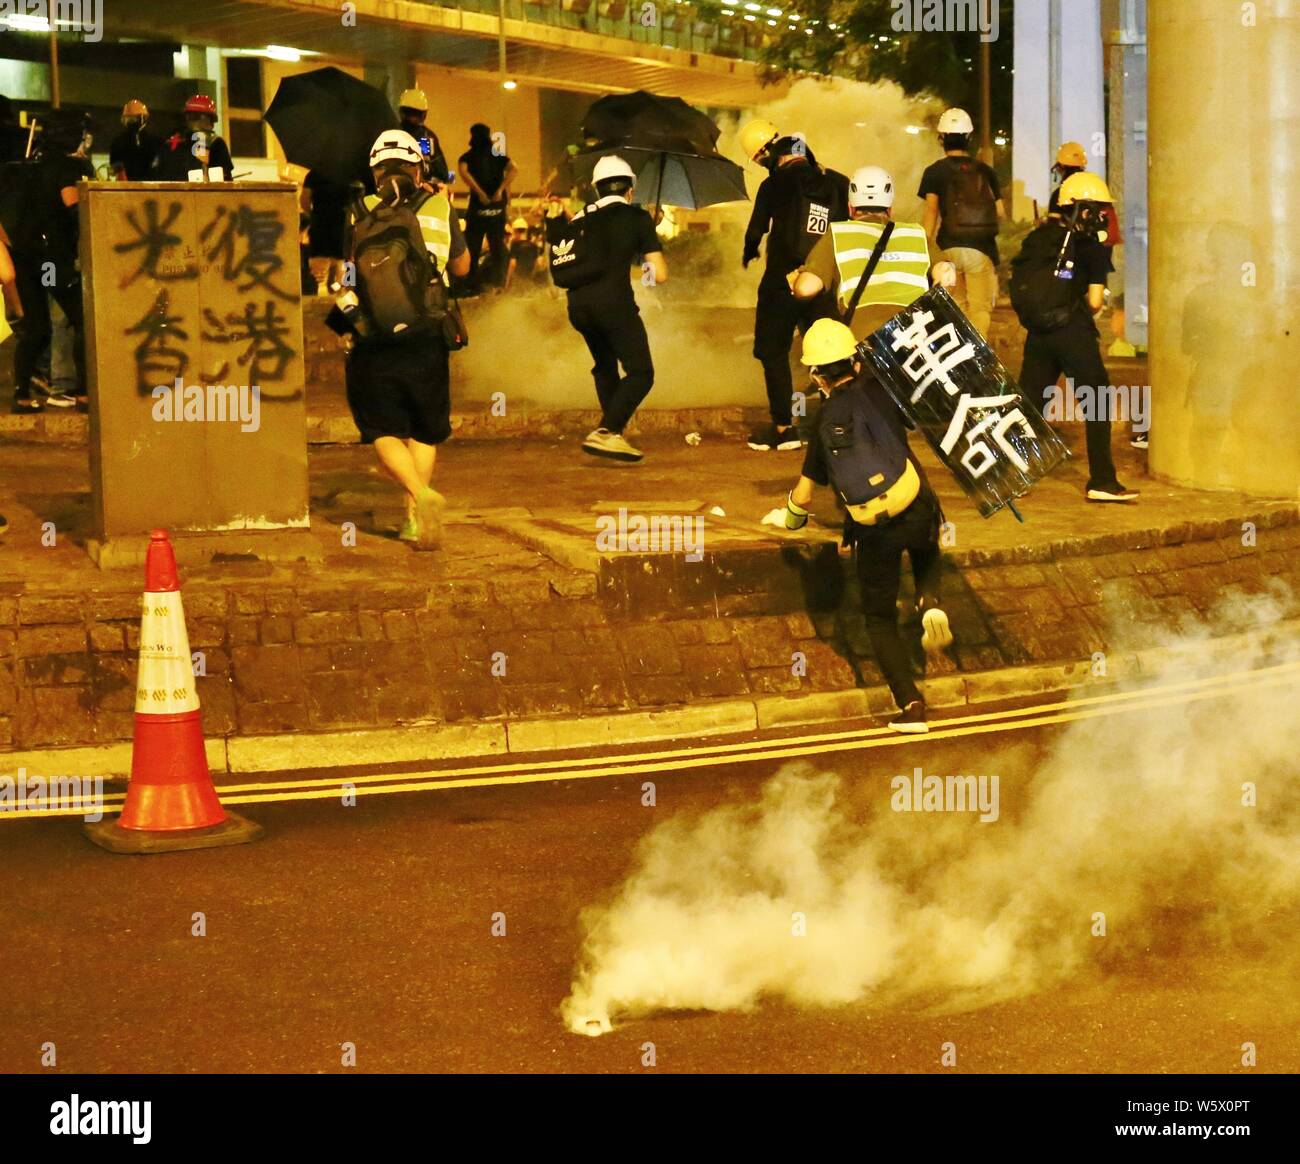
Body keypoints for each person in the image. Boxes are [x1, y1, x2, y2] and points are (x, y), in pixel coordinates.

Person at [764, 319, 952, 734]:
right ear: (853, 358)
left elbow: (805, 496)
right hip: (915, 505)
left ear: (816, 374)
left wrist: (790, 518)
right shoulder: (881, 388)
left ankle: (911, 705)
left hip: (873, 530)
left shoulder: (823, 418)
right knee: (927, 544)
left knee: (879, 617)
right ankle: (929, 598)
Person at [339, 130, 470, 548]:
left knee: (381, 428)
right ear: (418, 167)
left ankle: (422, 494)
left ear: (376, 171)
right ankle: (415, 518)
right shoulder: (437, 205)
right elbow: (463, 268)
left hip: (374, 337)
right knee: (425, 431)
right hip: (428, 332)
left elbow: (346, 276)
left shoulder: (358, 211)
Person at [1010, 171, 1138, 503]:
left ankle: (1010, 475)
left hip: (1038, 332)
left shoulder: (1038, 238)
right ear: (1087, 210)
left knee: (1031, 402)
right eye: (1100, 209)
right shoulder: (1091, 245)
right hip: (1072, 331)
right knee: (1097, 399)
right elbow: (1095, 302)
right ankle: (1102, 480)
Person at [545, 154, 667, 462]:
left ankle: (613, 433)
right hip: (614, 306)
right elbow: (658, 276)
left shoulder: (582, 217)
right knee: (641, 372)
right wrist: (645, 243)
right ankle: (607, 431)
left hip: (579, 308)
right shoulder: (638, 218)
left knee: (605, 366)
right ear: (630, 190)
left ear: (597, 189)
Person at [740, 118, 850, 452]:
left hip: (782, 282)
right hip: (820, 280)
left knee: (773, 351)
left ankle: (785, 427)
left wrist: (749, 252)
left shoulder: (773, 186)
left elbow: (756, 230)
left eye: (761, 160)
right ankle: (842, 422)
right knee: (832, 349)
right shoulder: (836, 181)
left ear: (767, 154)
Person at [791, 164, 956, 349]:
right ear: (890, 208)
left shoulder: (839, 233)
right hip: (917, 338)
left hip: (865, 340)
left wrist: (797, 282)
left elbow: (806, 288)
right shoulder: (915, 234)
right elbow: (946, 274)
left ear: (850, 207)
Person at [10, 110, 92, 413]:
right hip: (49, 263)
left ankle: (20, 395)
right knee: (81, 319)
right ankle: (83, 393)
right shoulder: (67, 167)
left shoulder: (30, 166)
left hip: (26, 259)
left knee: (37, 328)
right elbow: (72, 205)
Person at [918, 107, 1004, 337]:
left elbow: (931, 213)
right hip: (982, 249)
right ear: (968, 138)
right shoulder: (986, 171)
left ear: (942, 138)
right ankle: (979, 356)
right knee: (980, 308)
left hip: (949, 247)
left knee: (956, 308)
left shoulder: (934, 172)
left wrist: (926, 247)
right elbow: (1000, 211)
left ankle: (961, 356)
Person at [458, 123, 517, 293]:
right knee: (497, 246)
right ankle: (499, 284)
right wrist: (500, 190)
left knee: (473, 247)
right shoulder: (498, 155)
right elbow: (514, 169)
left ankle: (471, 285)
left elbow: (463, 171)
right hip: (497, 208)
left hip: (478, 207)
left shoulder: (468, 156)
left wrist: (479, 192)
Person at [152, 94, 233, 182]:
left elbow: (155, 171)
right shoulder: (215, 142)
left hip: (165, 193)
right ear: (209, 118)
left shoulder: (170, 140)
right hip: (198, 194)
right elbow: (224, 180)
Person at [301, 168, 349, 293]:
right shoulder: (349, 173)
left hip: (320, 222)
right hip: (342, 222)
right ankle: (344, 288)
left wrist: (312, 214)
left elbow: (304, 200)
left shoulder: (314, 174)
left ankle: (312, 290)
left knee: (318, 258)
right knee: (345, 258)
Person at [396, 88, 451, 187]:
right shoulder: (425, 138)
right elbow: (440, 171)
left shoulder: (392, 134)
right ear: (424, 114)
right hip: (422, 190)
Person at [109, 100, 159, 181]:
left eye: (134, 119)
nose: (132, 121)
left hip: (147, 186)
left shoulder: (152, 140)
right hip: (125, 186)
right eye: (130, 119)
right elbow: (114, 166)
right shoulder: (118, 141)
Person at [505, 216, 541, 291]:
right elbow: (537, 264)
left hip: (518, 279)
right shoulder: (533, 245)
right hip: (529, 279)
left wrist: (507, 282)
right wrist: (532, 275)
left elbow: (512, 264)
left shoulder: (515, 245)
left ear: (516, 231)